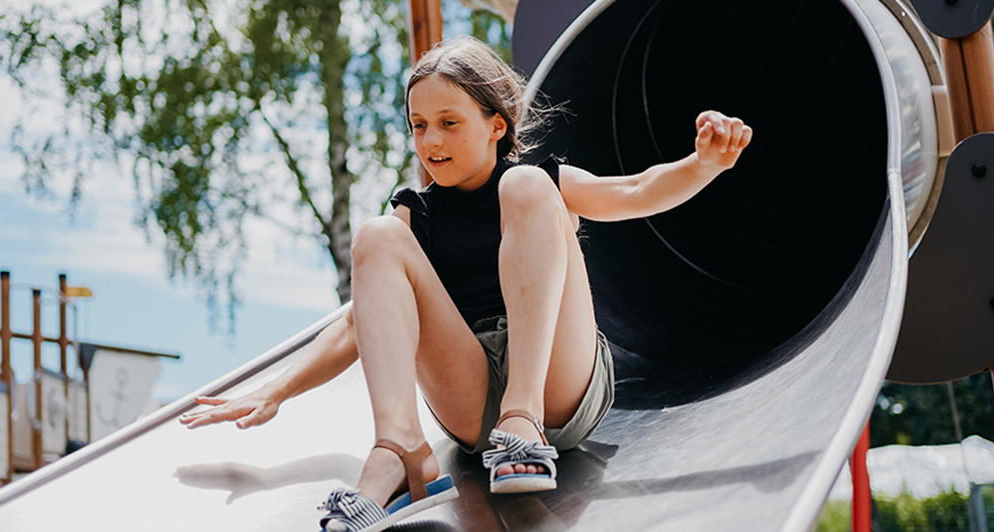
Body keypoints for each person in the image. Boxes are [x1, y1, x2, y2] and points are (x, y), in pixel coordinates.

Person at [178, 36, 752, 532]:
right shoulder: (416, 214)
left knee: (528, 188)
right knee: (377, 235)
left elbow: (633, 192)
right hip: (471, 394)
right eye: (419, 126)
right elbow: (360, 322)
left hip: (556, 380)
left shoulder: (537, 180)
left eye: (449, 124)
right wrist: (274, 389)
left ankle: (522, 420)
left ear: (496, 124)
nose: (432, 142)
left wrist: (703, 165)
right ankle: (400, 449)